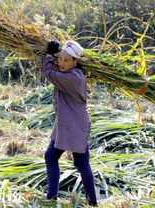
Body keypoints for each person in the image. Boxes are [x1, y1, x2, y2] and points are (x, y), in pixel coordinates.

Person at [42, 40, 98, 206]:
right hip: (66, 123)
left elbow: (49, 73)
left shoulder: (72, 78)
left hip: (74, 125)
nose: (61, 63)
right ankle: (52, 197)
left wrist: (48, 56)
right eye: (60, 59)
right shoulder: (72, 73)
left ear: (76, 61)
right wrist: (53, 56)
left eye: (67, 60)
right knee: (51, 156)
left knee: (81, 163)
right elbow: (54, 69)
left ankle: (92, 202)